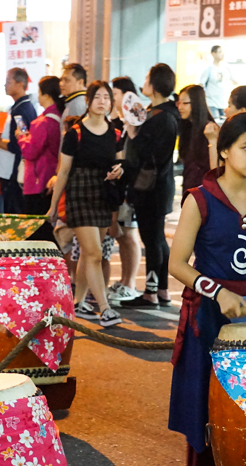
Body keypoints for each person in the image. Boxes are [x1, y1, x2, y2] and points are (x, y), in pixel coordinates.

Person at [168, 112, 246, 466]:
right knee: (209, 406)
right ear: (225, 151)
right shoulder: (200, 197)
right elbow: (178, 263)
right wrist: (217, 290)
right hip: (209, 312)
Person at [48, 80, 124, 328]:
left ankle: (78, 303)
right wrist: (53, 206)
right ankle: (104, 308)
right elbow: (64, 171)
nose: (103, 102)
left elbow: (121, 165)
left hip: (103, 193)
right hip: (79, 193)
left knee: (92, 253)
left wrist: (119, 171)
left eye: (107, 97)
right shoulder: (75, 133)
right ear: (88, 102)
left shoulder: (115, 132)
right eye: (98, 97)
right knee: (92, 252)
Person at [122, 64, 180, 310]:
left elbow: (152, 154)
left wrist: (134, 135)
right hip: (158, 186)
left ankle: (151, 292)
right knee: (157, 239)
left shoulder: (163, 116)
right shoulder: (160, 112)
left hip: (152, 188)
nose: (143, 82)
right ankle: (162, 290)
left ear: (154, 85)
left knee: (153, 240)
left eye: (146, 78)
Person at [107, 76, 143, 304]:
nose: (112, 98)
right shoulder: (119, 121)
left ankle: (130, 283)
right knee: (122, 235)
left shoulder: (135, 121)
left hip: (131, 187)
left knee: (129, 235)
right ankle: (124, 281)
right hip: (120, 186)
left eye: (115, 93)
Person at [16, 75, 63, 242]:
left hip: (37, 183)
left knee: (36, 233)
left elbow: (30, 152)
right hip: (53, 180)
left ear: (47, 95)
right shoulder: (61, 118)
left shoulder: (42, 122)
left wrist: (21, 137)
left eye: (40, 92)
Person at [0, 68, 38, 215]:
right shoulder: (20, 107)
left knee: (14, 211)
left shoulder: (21, 110)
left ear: (20, 84)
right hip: (11, 171)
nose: (5, 85)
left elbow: (19, 145)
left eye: (8, 82)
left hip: (13, 172)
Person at [177, 85, 214, 198]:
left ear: (196, 104)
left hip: (205, 192)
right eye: (178, 103)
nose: (180, 107)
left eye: (185, 103)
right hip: (190, 189)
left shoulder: (210, 130)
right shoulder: (187, 127)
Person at [198, 45, 236, 120]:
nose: (222, 54)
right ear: (213, 54)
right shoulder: (208, 69)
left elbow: (234, 81)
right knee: (215, 123)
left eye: (222, 52)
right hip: (212, 103)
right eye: (219, 52)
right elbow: (201, 85)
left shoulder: (226, 68)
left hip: (224, 103)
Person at [60, 63, 88, 131]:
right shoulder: (77, 101)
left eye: (67, 80)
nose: (61, 84)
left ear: (80, 82)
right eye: (61, 80)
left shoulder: (77, 104)